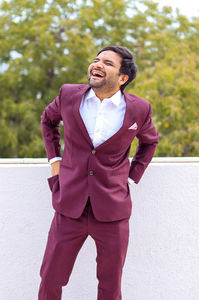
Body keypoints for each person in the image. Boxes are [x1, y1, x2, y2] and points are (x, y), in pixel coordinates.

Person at [38, 46, 159, 299]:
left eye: (107, 63)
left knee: (110, 286)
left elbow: (150, 142)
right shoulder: (69, 94)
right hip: (69, 205)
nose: (97, 65)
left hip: (113, 211)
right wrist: (55, 161)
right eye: (96, 60)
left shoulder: (139, 109)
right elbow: (48, 121)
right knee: (50, 277)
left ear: (123, 77)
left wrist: (131, 176)